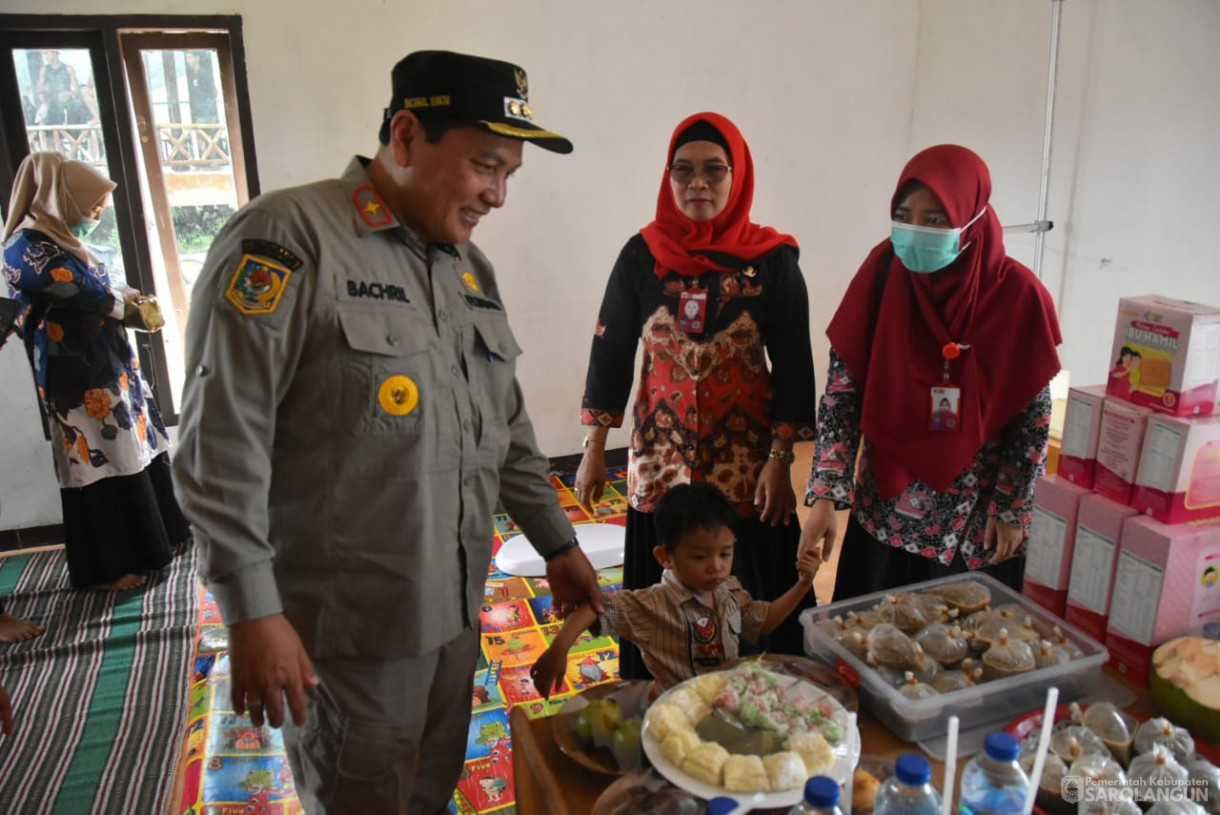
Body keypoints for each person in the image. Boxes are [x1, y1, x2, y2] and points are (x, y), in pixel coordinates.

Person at [171, 50, 602, 814]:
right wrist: (252, 609)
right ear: (406, 136)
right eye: (485, 166)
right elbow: (220, 439)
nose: (498, 195)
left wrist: (558, 541)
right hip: (349, 634)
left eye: (511, 175)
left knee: (429, 792)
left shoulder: (470, 272)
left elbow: (508, 428)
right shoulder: (288, 238)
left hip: (454, 613)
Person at [576, 112, 817, 679]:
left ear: (738, 176)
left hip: (747, 465)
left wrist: (781, 463)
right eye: (683, 171)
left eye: (713, 170)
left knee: (751, 587)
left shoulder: (773, 262)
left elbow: (795, 368)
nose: (697, 184)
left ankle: (765, 699)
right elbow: (609, 353)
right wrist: (594, 447)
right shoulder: (643, 255)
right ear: (668, 177)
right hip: (661, 462)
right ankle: (653, 697)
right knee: (658, 589)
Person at [799, 144, 1062, 601]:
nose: (915, 231)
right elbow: (842, 396)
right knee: (868, 647)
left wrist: (1012, 509)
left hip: (974, 531)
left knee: (966, 657)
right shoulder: (880, 277)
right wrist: (826, 497)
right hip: (884, 518)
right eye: (904, 215)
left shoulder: (1018, 297)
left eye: (935, 219)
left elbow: (1032, 421)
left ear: (973, 216)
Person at [3, 152, 188, 591]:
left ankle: (158, 542)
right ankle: (106, 569)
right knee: (93, 462)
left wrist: (124, 299)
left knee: (131, 449)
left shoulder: (64, 238)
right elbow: (85, 290)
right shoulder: (27, 247)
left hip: (110, 365)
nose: (97, 214)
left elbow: (103, 283)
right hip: (75, 378)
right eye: (91, 205)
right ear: (59, 198)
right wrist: (129, 305)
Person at [531, 483, 820, 695]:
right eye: (700, 557)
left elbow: (762, 620)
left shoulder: (729, 591)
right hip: (673, 713)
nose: (716, 567)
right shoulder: (652, 604)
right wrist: (559, 649)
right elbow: (593, 608)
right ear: (665, 557)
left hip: (726, 701)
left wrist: (803, 584)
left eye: (725, 554)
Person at [184, 51, 218, 124]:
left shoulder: (204, 74)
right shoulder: (193, 75)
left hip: (207, 114)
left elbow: (214, 91)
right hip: (199, 112)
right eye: (187, 58)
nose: (188, 60)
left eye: (190, 58)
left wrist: (208, 105)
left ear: (197, 58)